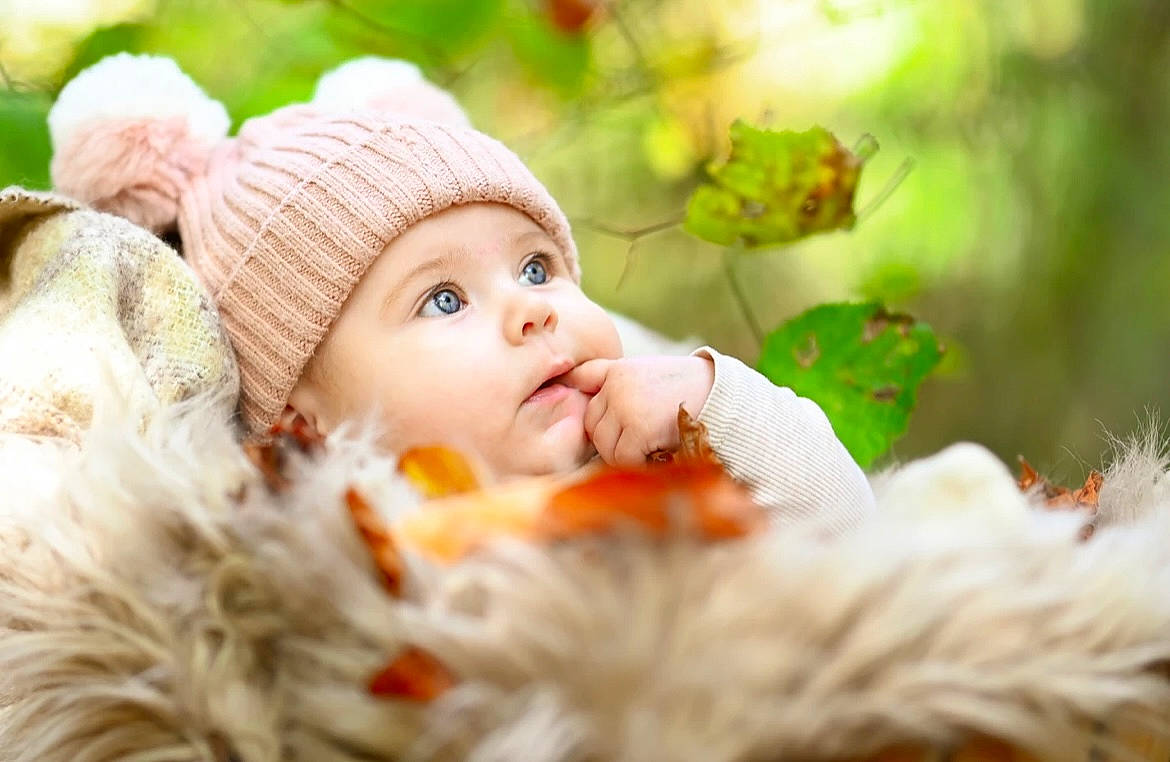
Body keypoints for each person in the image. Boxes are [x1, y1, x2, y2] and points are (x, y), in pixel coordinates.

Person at [47, 54, 875, 532]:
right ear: (309, 422)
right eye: (444, 300)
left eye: (538, 267)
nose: (533, 308)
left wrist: (717, 409)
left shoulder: (654, 467)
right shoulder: (349, 574)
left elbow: (852, 539)